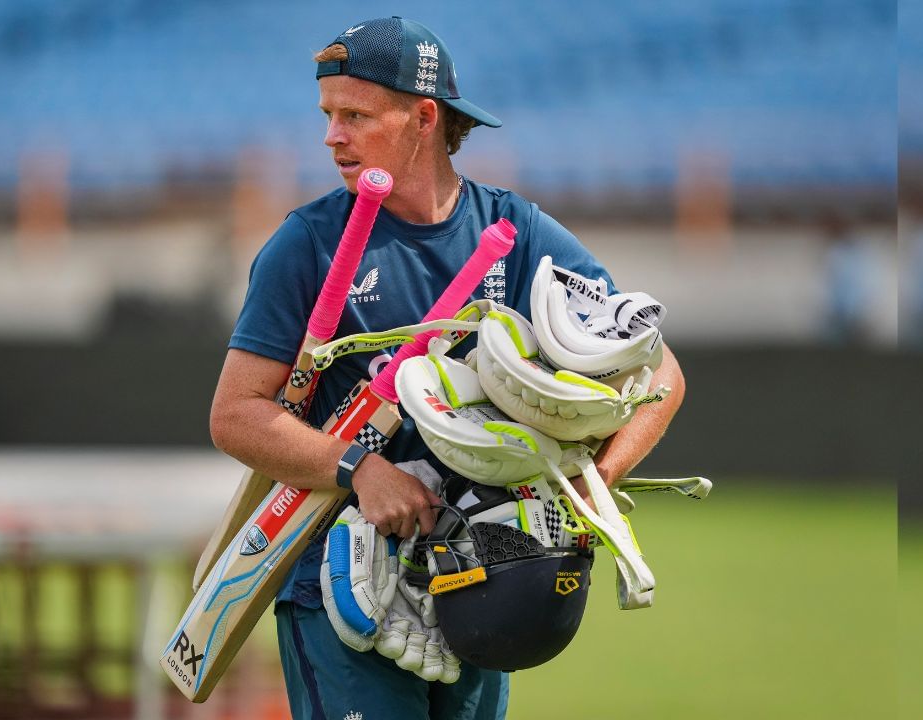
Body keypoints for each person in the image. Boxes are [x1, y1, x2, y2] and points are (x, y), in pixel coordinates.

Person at [209, 17, 686, 720]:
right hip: (341, 588)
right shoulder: (305, 244)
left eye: (355, 116)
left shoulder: (516, 235)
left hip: (482, 582)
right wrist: (360, 471)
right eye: (328, 116)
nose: (331, 136)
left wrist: (599, 479)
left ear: (423, 117)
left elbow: (661, 372)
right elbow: (237, 414)